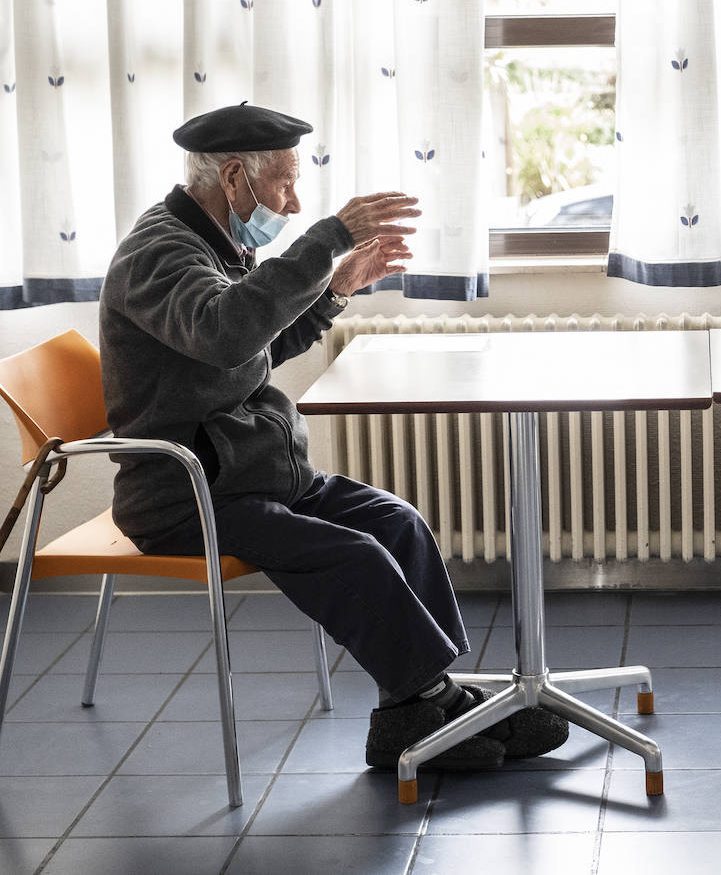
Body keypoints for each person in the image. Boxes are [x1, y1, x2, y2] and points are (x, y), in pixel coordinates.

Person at [99, 102, 567, 771]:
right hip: (189, 494)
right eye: (285, 182)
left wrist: (335, 291)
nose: (292, 200)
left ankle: (411, 710)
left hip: (256, 475)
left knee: (396, 523)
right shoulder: (158, 256)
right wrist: (330, 236)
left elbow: (250, 349)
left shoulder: (222, 243)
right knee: (355, 556)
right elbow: (228, 330)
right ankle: (433, 706)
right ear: (234, 177)